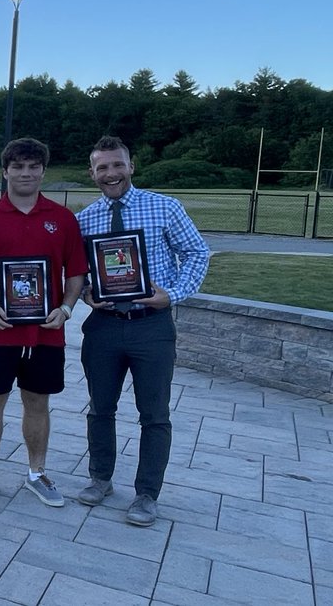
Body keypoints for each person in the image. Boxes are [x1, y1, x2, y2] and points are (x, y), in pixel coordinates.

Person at [75, 135, 210, 526]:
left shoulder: (164, 207)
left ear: (130, 166)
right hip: (103, 328)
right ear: (92, 173)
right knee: (100, 407)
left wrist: (175, 294)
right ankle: (100, 479)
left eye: (117, 165)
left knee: (154, 414)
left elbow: (197, 252)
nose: (111, 173)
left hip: (151, 326)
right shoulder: (85, 219)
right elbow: (79, 272)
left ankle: (147, 493)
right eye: (102, 167)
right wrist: (86, 293)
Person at [0, 138, 87, 508]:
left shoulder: (62, 219)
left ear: (43, 171)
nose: (25, 173)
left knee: (38, 404)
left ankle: (36, 473)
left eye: (33, 167)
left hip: (45, 333)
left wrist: (65, 309)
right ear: (6, 171)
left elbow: (76, 273)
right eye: (18, 167)